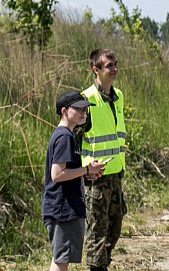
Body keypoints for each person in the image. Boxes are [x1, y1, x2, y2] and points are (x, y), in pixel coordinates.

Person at [43, 91, 105, 271]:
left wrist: (86, 173)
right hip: (63, 209)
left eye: (85, 109)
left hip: (62, 207)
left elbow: (65, 172)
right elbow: (57, 174)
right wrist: (86, 169)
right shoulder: (64, 137)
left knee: (59, 258)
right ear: (64, 111)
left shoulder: (65, 135)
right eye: (79, 109)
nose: (84, 113)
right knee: (61, 260)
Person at [78, 49, 127, 271]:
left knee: (115, 227)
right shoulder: (85, 99)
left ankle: (102, 264)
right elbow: (72, 139)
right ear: (95, 70)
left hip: (116, 173)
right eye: (108, 65)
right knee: (97, 231)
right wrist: (84, 169)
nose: (114, 68)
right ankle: (97, 268)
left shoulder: (118, 96)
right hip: (96, 178)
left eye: (115, 64)